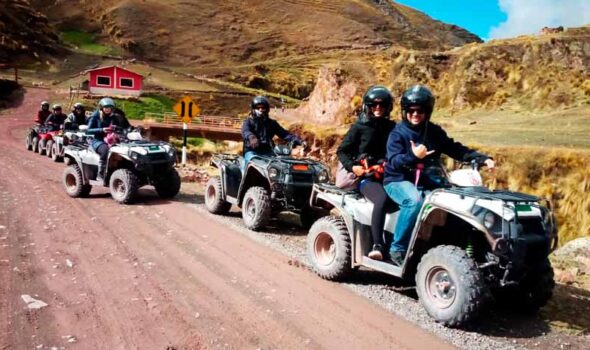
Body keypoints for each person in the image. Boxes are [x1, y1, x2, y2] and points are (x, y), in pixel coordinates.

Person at [383, 85, 495, 265]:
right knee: (414, 202)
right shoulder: (398, 133)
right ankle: (398, 249)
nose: (415, 114)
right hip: (398, 180)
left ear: (428, 111)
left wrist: (481, 158)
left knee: (458, 202)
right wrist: (413, 156)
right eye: (411, 110)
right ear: (405, 111)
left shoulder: (434, 132)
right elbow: (393, 161)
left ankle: (456, 248)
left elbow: (455, 148)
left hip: (428, 179)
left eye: (420, 110)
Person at [336, 86, 396, 260]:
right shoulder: (360, 127)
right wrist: (352, 167)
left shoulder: (393, 128)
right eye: (374, 105)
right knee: (381, 199)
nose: (378, 108)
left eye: (382, 105)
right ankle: (377, 244)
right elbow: (342, 151)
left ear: (388, 107)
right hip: (367, 178)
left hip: (389, 175)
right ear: (367, 106)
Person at [241, 96, 304, 170]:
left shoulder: (272, 123)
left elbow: (284, 134)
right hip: (252, 151)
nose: (260, 110)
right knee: (251, 165)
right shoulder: (248, 122)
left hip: (268, 152)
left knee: (280, 168)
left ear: (267, 109)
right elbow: (245, 131)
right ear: (253, 109)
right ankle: (243, 180)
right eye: (258, 108)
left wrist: (299, 141)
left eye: (263, 108)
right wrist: (251, 137)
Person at [86, 98, 127, 181]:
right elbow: (88, 130)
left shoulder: (114, 116)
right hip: (98, 141)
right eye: (106, 107)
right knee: (105, 150)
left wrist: (121, 129)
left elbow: (122, 127)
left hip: (112, 139)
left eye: (109, 107)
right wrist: (102, 129)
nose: (107, 109)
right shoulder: (95, 115)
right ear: (101, 107)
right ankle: (100, 174)